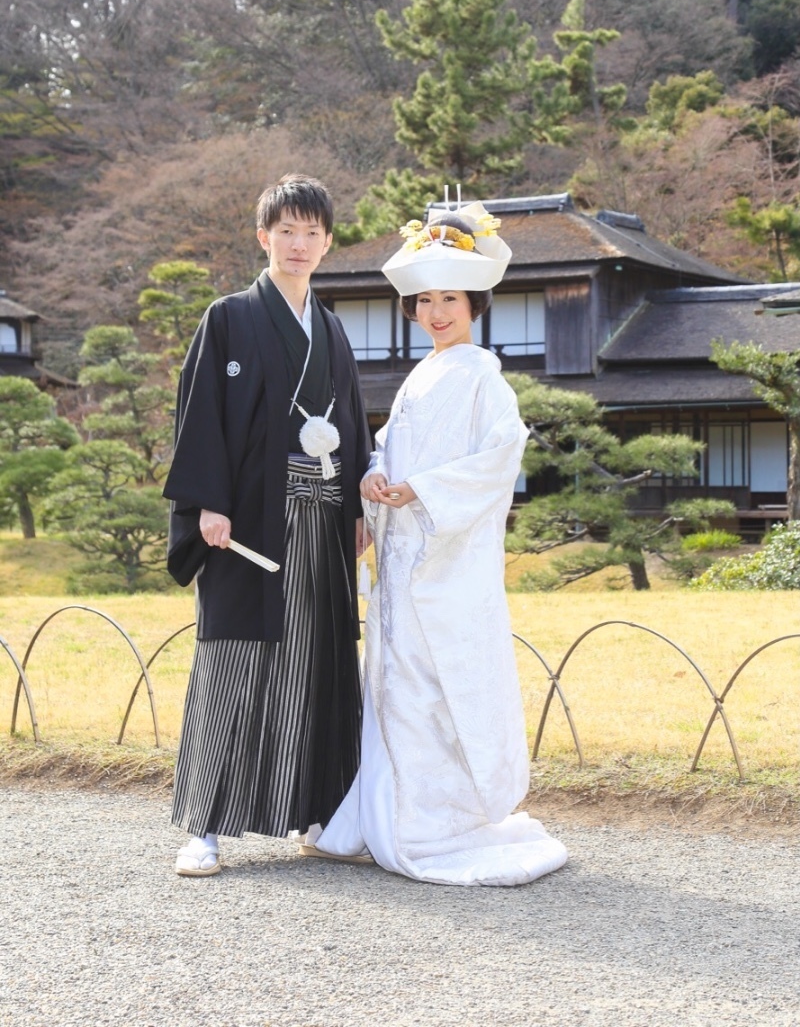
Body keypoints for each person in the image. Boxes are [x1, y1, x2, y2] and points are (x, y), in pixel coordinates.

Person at [307, 203, 568, 886]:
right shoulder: (422, 377)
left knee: (437, 690)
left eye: (449, 298)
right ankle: (390, 810)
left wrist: (420, 491)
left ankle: (438, 820)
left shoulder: (484, 377)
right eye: (425, 300)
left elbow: (498, 460)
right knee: (397, 686)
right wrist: (374, 476)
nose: (436, 311)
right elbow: (387, 448)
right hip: (404, 562)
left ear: (474, 302)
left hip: (449, 568)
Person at [163, 173, 370, 877]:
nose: (299, 244)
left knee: (316, 656)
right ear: (263, 236)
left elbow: (352, 425)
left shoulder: (333, 329)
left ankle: (317, 814)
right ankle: (206, 827)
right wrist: (206, 504)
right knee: (234, 658)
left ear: (329, 242)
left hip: (323, 514)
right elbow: (200, 419)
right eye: (287, 230)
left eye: (312, 232)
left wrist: (360, 512)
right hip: (249, 519)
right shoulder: (228, 317)